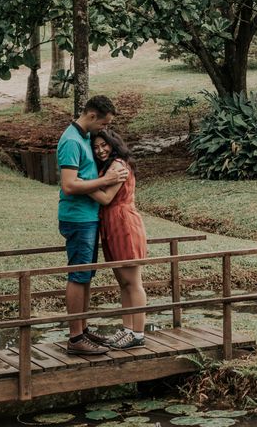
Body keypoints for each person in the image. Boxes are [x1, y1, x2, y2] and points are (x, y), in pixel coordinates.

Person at [57, 95, 128, 355]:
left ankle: (83, 330)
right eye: (104, 124)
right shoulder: (71, 141)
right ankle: (75, 339)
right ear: (91, 116)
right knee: (78, 275)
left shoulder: (85, 137)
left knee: (86, 274)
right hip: (77, 218)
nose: (105, 130)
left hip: (89, 216)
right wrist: (106, 179)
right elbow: (69, 184)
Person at [87, 129, 148, 350]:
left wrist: (80, 184)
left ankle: (138, 333)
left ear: (113, 143)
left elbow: (106, 197)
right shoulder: (108, 167)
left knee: (133, 282)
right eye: (95, 147)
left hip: (124, 224)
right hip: (112, 224)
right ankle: (127, 329)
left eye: (104, 145)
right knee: (123, 283)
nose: (100, 150)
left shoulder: (118, 166)